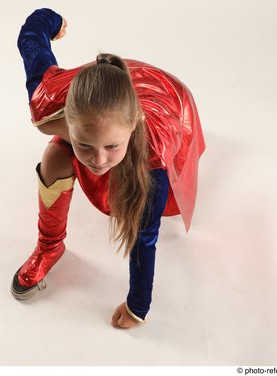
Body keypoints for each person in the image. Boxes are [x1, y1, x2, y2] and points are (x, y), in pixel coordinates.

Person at [12, 8, 205, 329]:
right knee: (54, 158)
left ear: (132, 127)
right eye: (84, 145)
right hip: (99, 88)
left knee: (142, 201)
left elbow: (145, 240)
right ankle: (49, 246)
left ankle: (106, 140)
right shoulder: (48, 102)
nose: (98, 161)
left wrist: (137, 307)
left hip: (166, 97)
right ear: (66, 121)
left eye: (111, 147)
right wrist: (53, 19)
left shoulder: (151, 159)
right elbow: (30, 38)